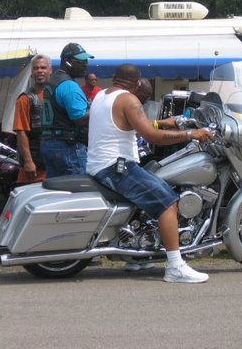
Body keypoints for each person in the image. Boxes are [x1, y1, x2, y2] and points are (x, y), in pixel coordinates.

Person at [86, 64, 214, 283]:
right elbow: (151, 136)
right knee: (167, 202)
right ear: (137, 83)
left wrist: (166, 123)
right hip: (116, 167)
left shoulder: (101, 96)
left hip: (99, 165)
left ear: (115, 78)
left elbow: (127, 124)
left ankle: (138, 256)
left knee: (150, 193)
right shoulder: (128, 99)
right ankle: (175, 266)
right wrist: (191, 134)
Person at [40, 43, 93, 178]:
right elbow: (79, 118)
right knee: (79, 192)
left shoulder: (53, 81)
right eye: (81, 61)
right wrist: (97, 108)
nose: (85, 64)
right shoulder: (69, 85)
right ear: (68, 62)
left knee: (57, 192)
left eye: (86, 60)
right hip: (67, 145)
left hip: (49, 144)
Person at [13, 54, 52, 183]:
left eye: (43, 67)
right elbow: (21, 131)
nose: (40, 71)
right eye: (36, 68)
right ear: (32, 73)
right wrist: (29, 162)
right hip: (35, 167)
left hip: (54, 164)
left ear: (50, 71)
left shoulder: (56, 95)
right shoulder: (25, 99)